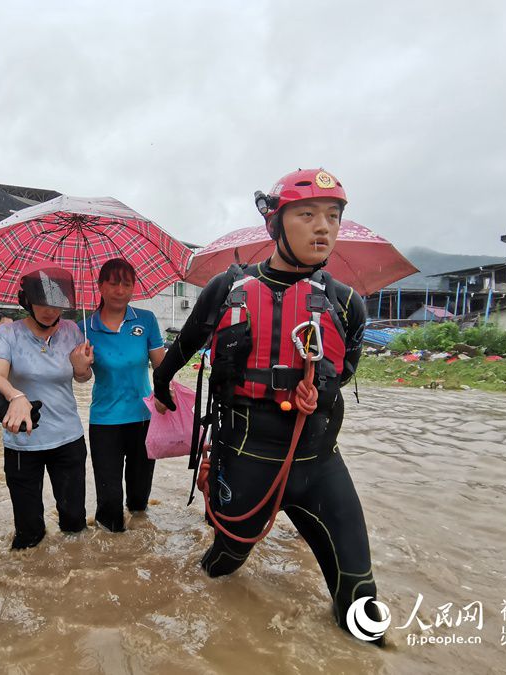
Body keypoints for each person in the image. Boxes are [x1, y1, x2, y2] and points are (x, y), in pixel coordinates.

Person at [152, 169, 383, 645]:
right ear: (276, 224)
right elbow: (185, 347)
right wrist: (160, 383)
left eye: (333, 217)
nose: (324, 228)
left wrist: (316, 389)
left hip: (318, 462)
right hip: (245, 456)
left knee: (361, 601)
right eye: (307, 215)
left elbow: (345, 370)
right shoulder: (226, 288)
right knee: (222, 566)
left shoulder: (345, 303)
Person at [0, 263, 94, 549]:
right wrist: (16, 396)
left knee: (74, 524)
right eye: (42, 302)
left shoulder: (72, 331)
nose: (50, 310)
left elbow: (83, 379)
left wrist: (82, 368)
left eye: (57, 304)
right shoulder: (8, 334)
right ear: (27, 301)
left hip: (68, 439)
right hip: (23, 441)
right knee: (28, 533)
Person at [79, 258, 165, 532]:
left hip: (142, 418)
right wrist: (81, 365)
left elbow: (161, 366)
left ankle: (135, 556)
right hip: (104, 422)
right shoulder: (85, 328)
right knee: (110, 503)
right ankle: (108, 562)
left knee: (139, 501)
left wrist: (166, 392)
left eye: (126, 284)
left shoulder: (146, 320)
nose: (120, 290)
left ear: (133, 288)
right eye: (114, 283)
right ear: (100, 286)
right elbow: (82, 378)